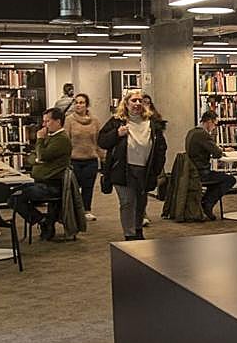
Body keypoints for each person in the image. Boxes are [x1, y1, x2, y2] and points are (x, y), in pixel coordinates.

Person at [99, 90, 167, 241]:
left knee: (141, 202)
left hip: (145, 170)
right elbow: (102, 141)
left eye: (140, 101)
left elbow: (161, 148)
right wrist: (117, 134)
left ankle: (137, 230)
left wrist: (156, 169)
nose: (137, 104)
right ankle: (129, 235)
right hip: (122, 169)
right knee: (128, 202)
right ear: (126, 103)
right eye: (133, 101)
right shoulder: (116, 121)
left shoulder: (153, 123)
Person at [11, 107, 71, 241]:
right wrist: (39, 157)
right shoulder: (50, 137)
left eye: (47, 121)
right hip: (39, 182)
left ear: (58, 122)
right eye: (44, 121)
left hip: (51, 186)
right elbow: (31, 158)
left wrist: (39, 141)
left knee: (15, 197)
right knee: (11, 194)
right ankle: (42, 219)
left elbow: (41, 155)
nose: (44, 125)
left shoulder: (61, 139)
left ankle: (42, 220)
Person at [185, 110, 236, 220]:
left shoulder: (192, 132)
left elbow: (208, 149)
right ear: (208, 122)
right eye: (214, 124)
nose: (214, 127)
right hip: (201, 173)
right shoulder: (203, 134)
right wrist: (221, 150)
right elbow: (217, 154)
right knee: (229, 180)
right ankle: (207, 204)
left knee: (218, 180)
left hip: (193, 171)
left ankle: (205, 202)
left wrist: (221, 149)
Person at [66, 93, 103, 222]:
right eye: (76, 102)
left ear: (87, 105)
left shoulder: (95, 121)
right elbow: (66, 140)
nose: (78, 105)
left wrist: (103, 158)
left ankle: (86, 210)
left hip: (91, 159)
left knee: (88, 187)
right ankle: (74, 212)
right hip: (74, 159)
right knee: (74, 188)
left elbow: (99, 141)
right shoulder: (69, 120)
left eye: (81, 102)